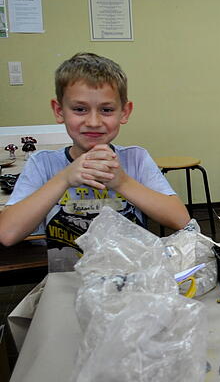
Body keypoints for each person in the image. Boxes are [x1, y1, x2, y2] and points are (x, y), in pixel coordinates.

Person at [0, 52, 190, 271]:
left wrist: (122, 183)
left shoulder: (135, 159)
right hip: (67, 280)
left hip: (131, 279)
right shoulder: (42, 164)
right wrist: (64, 178)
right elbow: (7, 234)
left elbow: (181, 220)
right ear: (59, 111)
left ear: (124, 113)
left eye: (106, 110)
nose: (93, 121)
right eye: (80, 109)